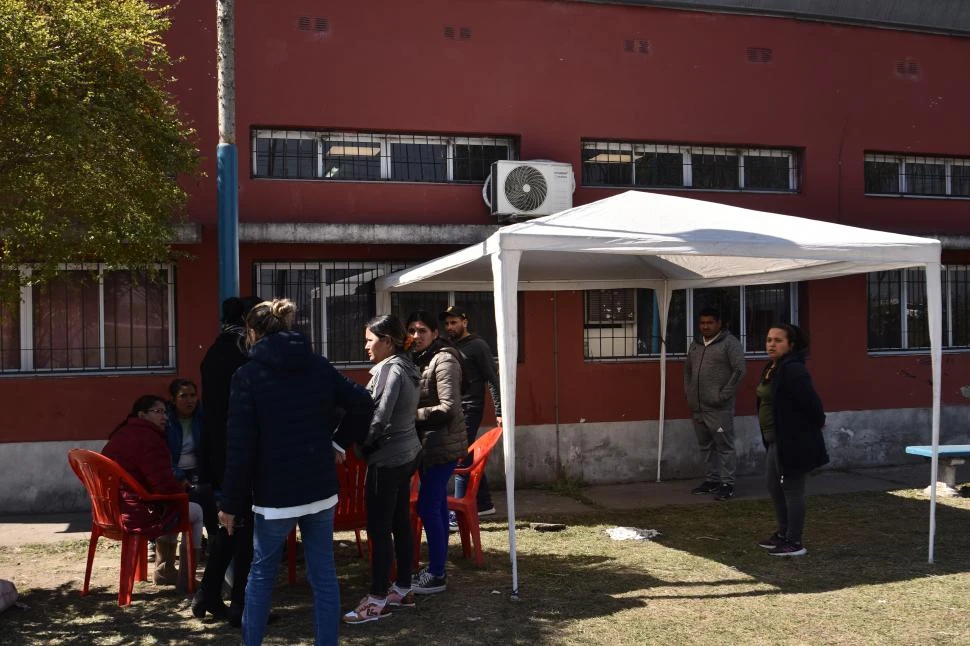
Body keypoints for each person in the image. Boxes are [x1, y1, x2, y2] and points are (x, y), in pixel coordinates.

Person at [219, 298, 373, 646]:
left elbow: (240, 446)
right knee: (323, 575)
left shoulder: (247, 375)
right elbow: (363, 402)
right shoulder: (318, 365)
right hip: (319, 488)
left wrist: (229, 503)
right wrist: (338, 443)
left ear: (252, 333)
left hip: (276, 495)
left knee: (260, 577)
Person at [342, 315, 422, 624]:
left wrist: (359, 445)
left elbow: (379, 417)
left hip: (388, 458)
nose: (365, 346)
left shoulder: (391, 369)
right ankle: (402, 588)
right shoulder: (407, 365)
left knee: (379, 527)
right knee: (400, 522)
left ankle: (376, 599)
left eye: (370, 340)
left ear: (388, 341)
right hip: (408, 452)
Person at [193, 296, 260, 624]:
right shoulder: (242, 353)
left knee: (230, 526)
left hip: (218, 452)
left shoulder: (217, 349)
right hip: (240, 451)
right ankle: (239, 604)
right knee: (245, 529)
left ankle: (207, 595)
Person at [102, 395, 203, 590]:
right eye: (158, 412)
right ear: (142, 414)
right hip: (136, 514)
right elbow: (163, 486)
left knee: (174, 504)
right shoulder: (148, 439)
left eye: (165, 412)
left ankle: (165, 571)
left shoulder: (122, 433)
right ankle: (186, 579)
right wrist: (182, 490)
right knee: (194, 510)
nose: (164, 417)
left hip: (112, 510)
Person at [406, 311, 468, 595]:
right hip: (428, 444)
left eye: (422, 330)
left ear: (434, 332)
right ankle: (437, 567)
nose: (416, 336)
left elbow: (448, 408)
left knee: (428, 506)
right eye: (412, 331)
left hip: (442, 444)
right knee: (437, 505)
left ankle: (437, 574)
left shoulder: (444, 359)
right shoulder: (421, 357)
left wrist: (409, 415)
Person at [756, 324, 828, 557]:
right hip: (774, 439)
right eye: (768, 340)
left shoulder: (794, 369)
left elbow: (812, 404)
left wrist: (814, 424)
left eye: (778, 340)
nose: (771, 344)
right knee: (773, 486)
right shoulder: (772, 367)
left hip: (793, 441)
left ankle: (795, 542)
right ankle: (783, 532)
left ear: (791, 344)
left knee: (792, 490)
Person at [440, 305, 502, 518]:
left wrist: (500, 410)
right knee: (467, 455)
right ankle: (483, 503)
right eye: (447, 323)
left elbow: (493, 380)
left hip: (470, 407)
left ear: (465, 322)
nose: (450, 326)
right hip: (453, 408)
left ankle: (457, 513)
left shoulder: (477, 345)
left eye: (454, 322)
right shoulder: (449, 345)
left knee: (460, 455)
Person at [684, 307, 746, 501]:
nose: (705, 326)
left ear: (719, 323)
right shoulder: (695, 345)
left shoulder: (730, 343)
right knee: (705, 446)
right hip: (698, 407)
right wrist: (689, 393)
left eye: (710, 322)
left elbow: (739, 371)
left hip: (719, 409)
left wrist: (722, 396)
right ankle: (712, 480)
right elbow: (687, 371)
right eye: (702, 323)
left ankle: (727, 484)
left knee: (724, 446)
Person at [165, 378, 219, 548]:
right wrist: (178, 475)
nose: (190, 400)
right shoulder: (166, 421)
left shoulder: (203, 417)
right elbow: (163, 456)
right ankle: (161, 540)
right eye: (183, 396)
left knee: (205, 490)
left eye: (193, 395)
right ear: (173, 400)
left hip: (196, 470)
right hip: (172, 471)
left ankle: (213, 538)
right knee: (194, 492)